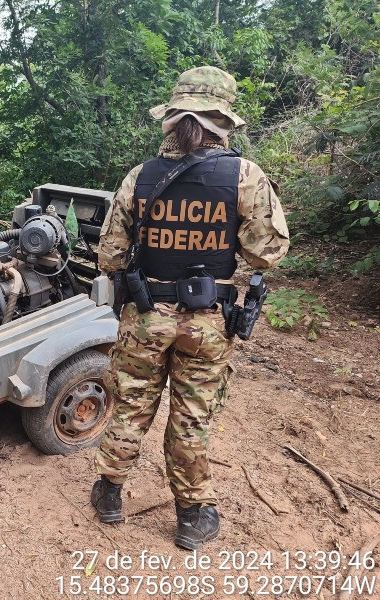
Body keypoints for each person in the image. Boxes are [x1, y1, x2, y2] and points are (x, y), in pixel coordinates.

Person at [91, 66, 290, 550]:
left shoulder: (140, 177)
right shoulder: (245, 177)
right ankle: (190, 517)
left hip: (144, 315)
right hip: (207, 323)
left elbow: (110, 256)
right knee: (193, 416)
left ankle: (110, 495)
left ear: (174, 118)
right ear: (223, 120)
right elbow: (266, 253)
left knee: (131, 404)